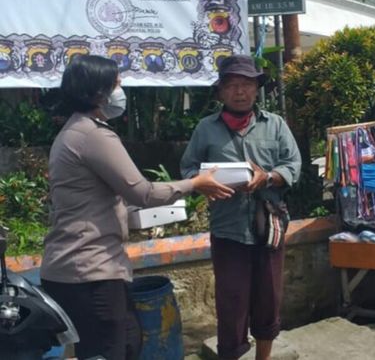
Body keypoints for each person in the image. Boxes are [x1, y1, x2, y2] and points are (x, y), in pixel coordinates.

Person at [40, 55, 233, 360]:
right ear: (97, 91)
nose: (120, 91)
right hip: (89, 272)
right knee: (112, 350)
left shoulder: (73, 132)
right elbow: (143, 192)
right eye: (116, 84)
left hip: (81, 269)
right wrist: (196, 183)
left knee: (127, 342)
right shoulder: (92, 135)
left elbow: (104, 199)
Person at [181, 55, 301, 360]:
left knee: (268, 298)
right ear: (221, 91)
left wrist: (269, 177)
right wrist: (202, 182)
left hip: (268, 228)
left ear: (256, 89)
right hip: (228, 230)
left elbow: (293, 165)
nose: (239, 91)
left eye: (246, 85)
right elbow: (188, 168)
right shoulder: (205, 129)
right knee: (231, 304)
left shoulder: (274, 125)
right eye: (232, 85)